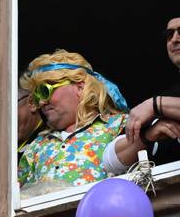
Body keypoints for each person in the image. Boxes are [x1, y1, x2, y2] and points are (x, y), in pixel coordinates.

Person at [15, 50, 128, 194]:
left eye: (45, 91)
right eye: (37, 97)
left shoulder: (119, 125)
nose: (42, 102)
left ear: (80, 87)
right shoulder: (35, 147)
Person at [104, 15, 180, 173]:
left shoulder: (157, 104)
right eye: (169, 34)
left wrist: (155, 105)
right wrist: (148, 136)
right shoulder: (168, 94)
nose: (174, 39)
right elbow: (110, 162)